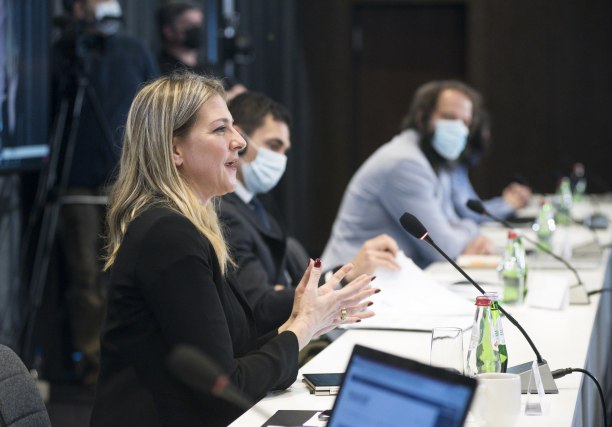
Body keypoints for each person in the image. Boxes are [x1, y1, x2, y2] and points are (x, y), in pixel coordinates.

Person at [90, 71, 377, 426]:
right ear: (174, 149)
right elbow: (225, 390)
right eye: (220, 129)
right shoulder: (169, 235)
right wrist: (300, 329)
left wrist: (303, 323)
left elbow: (234, 355)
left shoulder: (184, 227)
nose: (239, 142)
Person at [220, 91, 399, 333]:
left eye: (284, 150)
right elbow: (260, 306)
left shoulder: (257, 203)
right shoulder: (226, 213)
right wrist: (342, 278)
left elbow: (287, 288)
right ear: (239, 140)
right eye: (273, 145)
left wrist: (293, 290)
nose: (280, 159)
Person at [51, 0, 158, 385]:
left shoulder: (134, 50)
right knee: (85, 277)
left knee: (127, 273)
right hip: (77, 182)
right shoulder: (64, 53)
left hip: (125, 178)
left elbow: (153, 109)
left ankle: (131, 359)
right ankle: (93, 363)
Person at [322, 80, 496, 269]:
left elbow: (451, 223)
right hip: (349, 277)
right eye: (449, 117)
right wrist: (471, 228)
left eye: (465, 123)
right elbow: (443, 248)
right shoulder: (405, 163)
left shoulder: (437, 160)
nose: (459, 128)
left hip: (390, 274)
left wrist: (460, 230)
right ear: (422, 117)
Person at [451, 109, 532, 223]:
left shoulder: (459, 167)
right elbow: (470, 214)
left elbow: (475, 206)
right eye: (485, 131)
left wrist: (507, 201)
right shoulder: (450, 167)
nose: (488, 137)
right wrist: (508, 204)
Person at [156, 0, 247, 99]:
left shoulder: (210, 68)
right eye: (189, 25)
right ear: (169, 31)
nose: (197, 29)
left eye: (199, 24)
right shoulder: (161, 70)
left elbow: (241, 92)